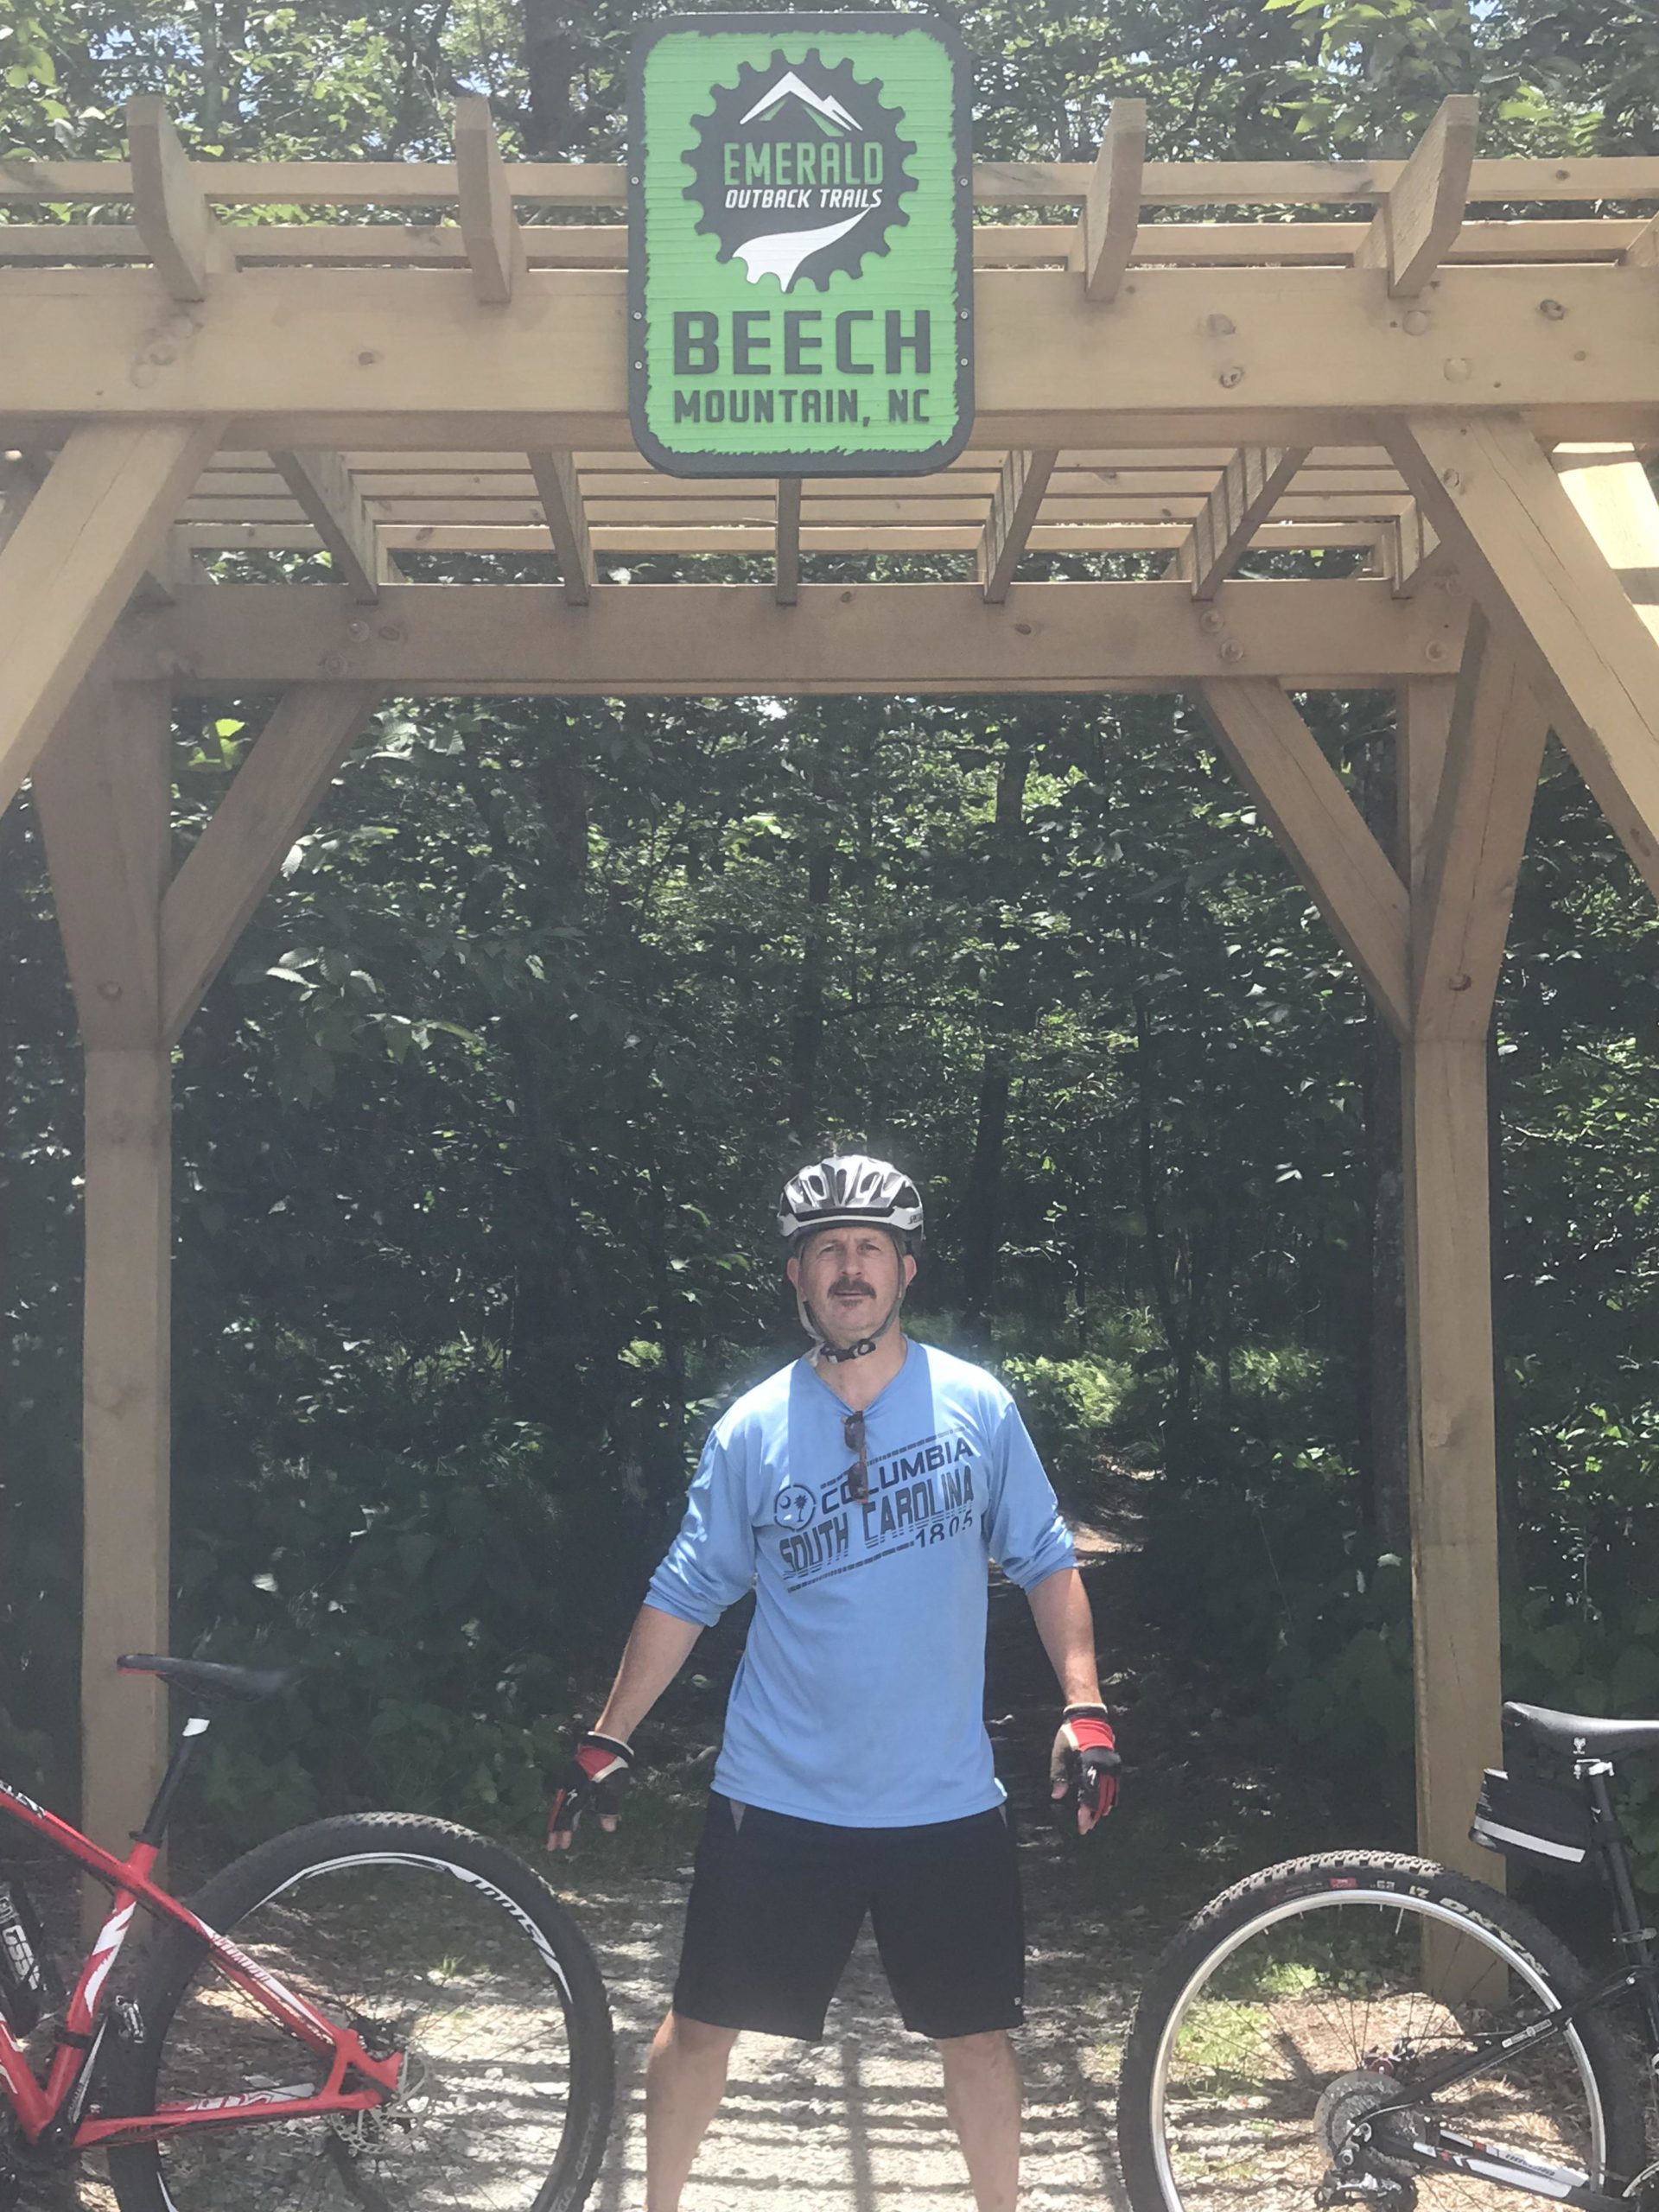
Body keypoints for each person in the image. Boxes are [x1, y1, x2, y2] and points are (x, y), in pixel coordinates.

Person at [548, 1153, 1119, 2212]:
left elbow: (1046, 1560)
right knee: (701, 2026)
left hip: (942, 1798)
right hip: (777, 1795)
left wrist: (1083, 1706)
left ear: (906, 1269)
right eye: (827, 1251)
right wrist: (608, 1735)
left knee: (979, 2038)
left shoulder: (978, 1407)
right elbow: (687, 1589)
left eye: (870, 1248)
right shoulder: (753, 1428)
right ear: (797, 1276)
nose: (850, 1267)